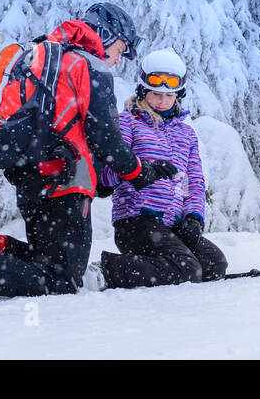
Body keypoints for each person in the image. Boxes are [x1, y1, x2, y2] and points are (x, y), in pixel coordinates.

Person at [0, 3, 177, 303]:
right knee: (62, 279)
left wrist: (105, 180)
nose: (119, 59)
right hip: (65, 184)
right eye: (120, 48)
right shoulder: (90, 67)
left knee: (48, 264)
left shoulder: (55, 58)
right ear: (105, 35)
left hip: (34, 180)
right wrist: (139, 172)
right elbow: (106, 140)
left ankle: (5, 251)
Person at [87, 48, 226, 290]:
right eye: (156, 94)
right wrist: (143, 168)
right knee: (188, 269)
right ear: (143, 91)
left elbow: (192, 181)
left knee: (214, 264)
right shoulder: (128, 122)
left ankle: (166, 266)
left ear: (177, 95)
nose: (162, 101)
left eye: (169, 95)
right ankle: (105, 271)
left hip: (171, 224)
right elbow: (107, 175)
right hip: (135, 221)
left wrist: (193, 218)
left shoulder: (186, 134)